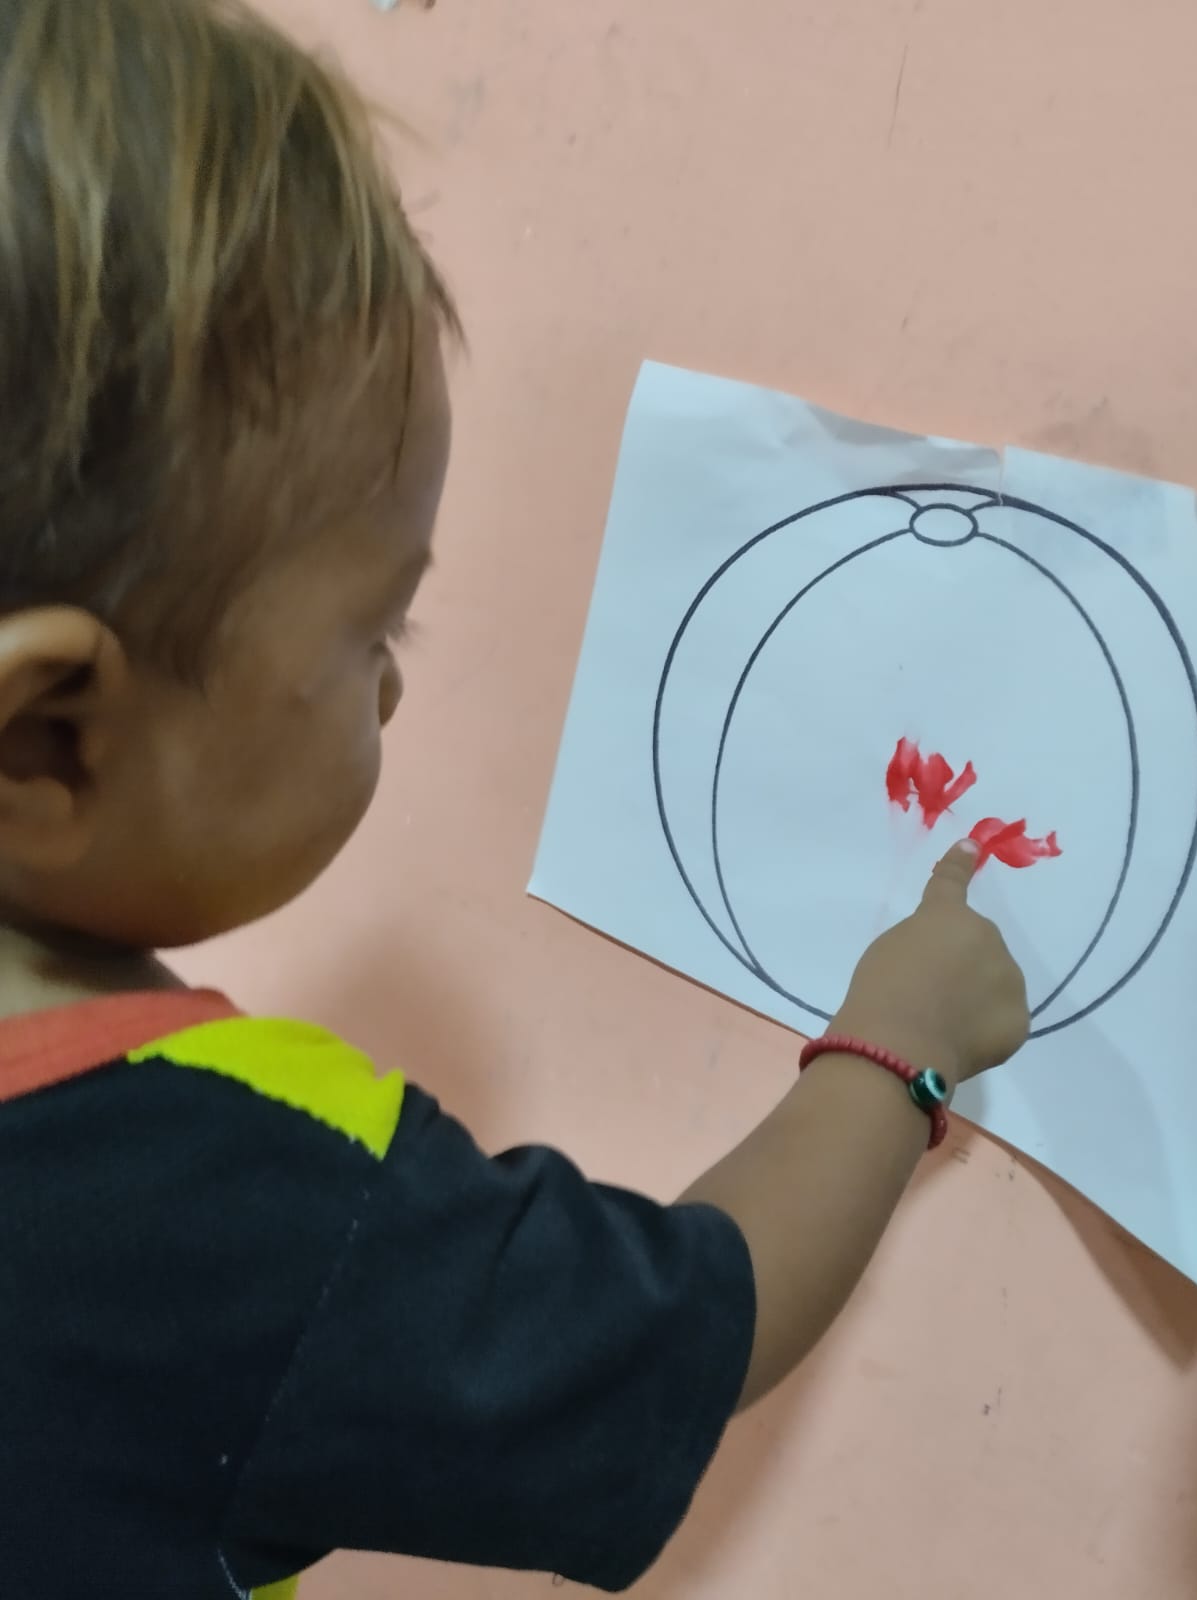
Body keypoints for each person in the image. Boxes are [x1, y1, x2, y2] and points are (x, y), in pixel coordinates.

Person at [0, 3, 1031, 1597]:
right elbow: (672, 1337)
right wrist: (900, 1045)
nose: (393, 693)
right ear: (48, 742)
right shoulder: (223, 1189)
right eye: (374, 634)